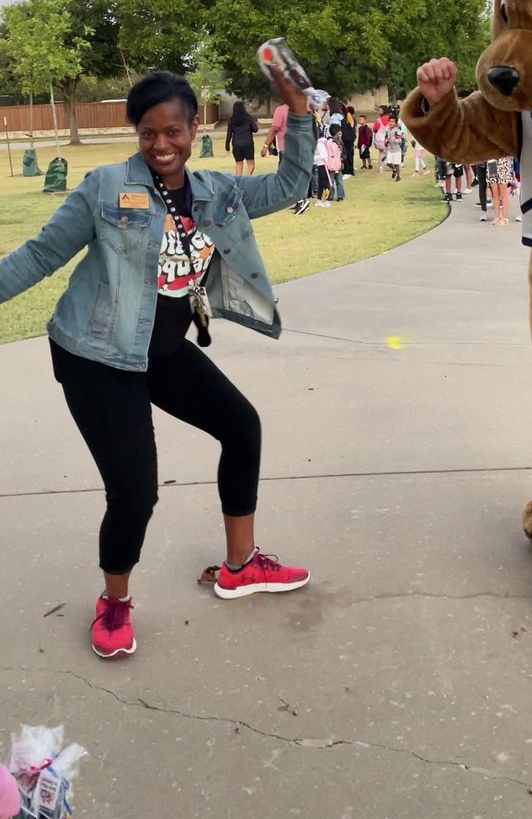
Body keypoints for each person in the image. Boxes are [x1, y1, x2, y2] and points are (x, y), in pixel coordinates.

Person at [0, 70, 314, 660]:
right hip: (96, 357)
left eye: (173, 131)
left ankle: (241, 566)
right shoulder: (104, 187)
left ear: (197, 128)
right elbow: (40, 255)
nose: (161, 145)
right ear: (136, 133)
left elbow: (295, 183)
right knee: (136, 492)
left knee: (241, 427)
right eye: (148, 134)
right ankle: (114, 602)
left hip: (161, 350)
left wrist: (297, 110)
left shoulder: (218, 191)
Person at [225, 101, 258, 175]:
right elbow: (255, 129)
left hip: (236, 144)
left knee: (239, 164)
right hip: (248, 143)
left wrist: (227, 147)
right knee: (251, 164)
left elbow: (229, 134)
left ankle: (238, 182)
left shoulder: (231, 120)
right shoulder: (248, 118)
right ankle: (247, 179)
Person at [314, 127, 341, 207]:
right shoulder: (322, 142)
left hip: (324, 165)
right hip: (320, 165)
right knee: (321, 184)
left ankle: (328, 201)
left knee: (325, 184)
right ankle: (320, 200)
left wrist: (313, 158)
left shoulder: (320, 144)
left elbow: (323, 156)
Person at [487, 156, 514, 225]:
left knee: (503, 193)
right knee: (495, 192)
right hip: (491, 162)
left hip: (502, 162)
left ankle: (504, 218)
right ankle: (497, 217)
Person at [328, 123, 346, 201]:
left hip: (337, 164)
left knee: (336, 181)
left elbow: (343, 152)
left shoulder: (339, 141)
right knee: (334, 181)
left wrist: (342, 158)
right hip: (333, 164)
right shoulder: (331, 142)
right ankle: (333, 196)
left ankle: (339, 195)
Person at [385, 114, 403, 182]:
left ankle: (398, 176)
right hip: (390, 149)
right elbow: (386, 138)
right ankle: (394, 170)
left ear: (396, 123)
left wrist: (393, 140)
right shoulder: (388, 130)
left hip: (396, 150)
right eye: (390, 121)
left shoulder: (397, 130)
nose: (391, 123)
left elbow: (399, 140)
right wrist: (386, 142)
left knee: (396, 163)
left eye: (393, 122)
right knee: (388, 163)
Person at [373, 107, 390, 173]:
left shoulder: (378, 120)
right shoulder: (390, 119)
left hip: (380, 139)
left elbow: (375, 129)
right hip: (388, 138)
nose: (378, 111)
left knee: (381, 153)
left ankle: (381, 167)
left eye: (379, 110)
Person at [341, 106, 357, 177]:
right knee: (349, 155)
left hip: (347, 139)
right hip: (350, 139)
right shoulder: (350, 118)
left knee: (347, 155)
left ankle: (348, 171)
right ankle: (350, 170)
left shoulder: (347, 117)